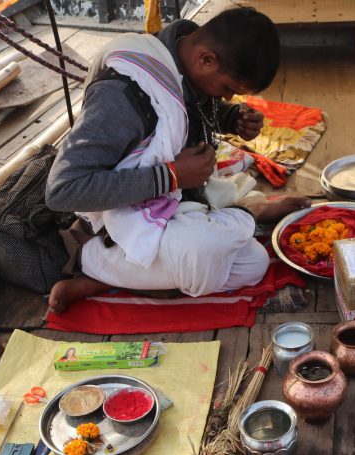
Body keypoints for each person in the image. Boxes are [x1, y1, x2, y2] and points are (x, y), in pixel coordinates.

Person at [45, 8, 309, 313]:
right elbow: (62, 190)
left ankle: (123, 278)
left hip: (172, 206)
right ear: (206, 59)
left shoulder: (183, 63)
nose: (227, 98)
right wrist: (170, 177)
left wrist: (230, 118)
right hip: (120, 228)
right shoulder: (121, 95)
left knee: (253, 263)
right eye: (228, 90)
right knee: (204, 249)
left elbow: (187, 112)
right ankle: (99, 267)